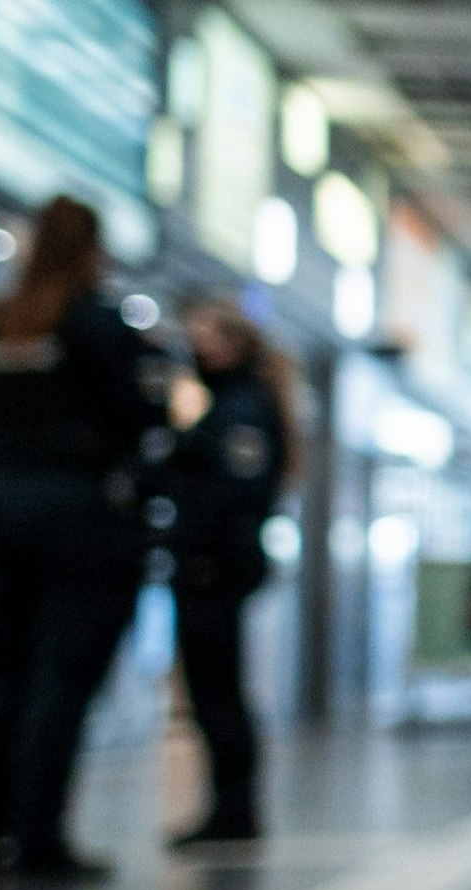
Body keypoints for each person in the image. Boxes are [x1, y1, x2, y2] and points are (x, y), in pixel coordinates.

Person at [0, 197, 165, 879]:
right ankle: (38, 834)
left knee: (4, 673)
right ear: (93, 249)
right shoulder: (98, 323)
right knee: (63, 678)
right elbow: (140, 416)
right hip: (79, 511)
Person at [162, 300, 297, 847]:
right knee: (213, 688)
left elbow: (238, 491)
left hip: (214, 566)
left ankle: (235, 808)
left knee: (217, 690)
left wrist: (205, 547)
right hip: (210, 562)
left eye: (210, 337)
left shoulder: (241, 408)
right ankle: (229, 806)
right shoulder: (225, 403)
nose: (199, 348)